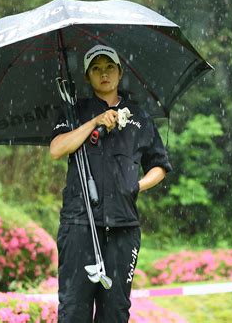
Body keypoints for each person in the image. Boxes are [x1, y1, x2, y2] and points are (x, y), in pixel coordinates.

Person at [50, 44, 172, 322]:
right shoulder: (74, 112)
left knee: (115, 312)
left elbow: (159, 165)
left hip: (124, 228)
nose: (103, 74)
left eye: (109, 68)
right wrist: (95, 121)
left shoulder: (140, 117)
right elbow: (57, 149)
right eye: (96, 68)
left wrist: (137, 186)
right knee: (73, 311)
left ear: (119, 72)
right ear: (87, 77)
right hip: (79, 225)